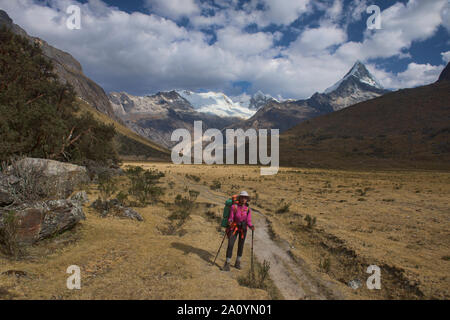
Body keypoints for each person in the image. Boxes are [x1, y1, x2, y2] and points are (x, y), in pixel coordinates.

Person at [223, 191, 255, 271]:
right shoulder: (234, 207)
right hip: (234, 228)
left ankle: (237, 263)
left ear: (247, 199)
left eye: (245, 198)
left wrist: (251, 226)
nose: (244, 199)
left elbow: (248, 220)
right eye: (242, 197)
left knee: (241, 246)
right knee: (230, 245)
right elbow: (231, 217)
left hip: (243, 229)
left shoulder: (247, 209)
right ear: (239, 198)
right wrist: (230, 221)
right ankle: (227, 264)